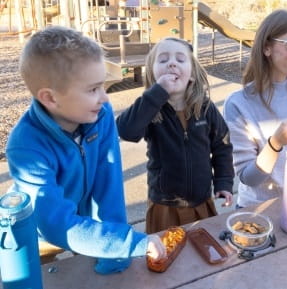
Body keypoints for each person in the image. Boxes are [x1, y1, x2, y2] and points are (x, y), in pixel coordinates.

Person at [5, 26, 166, 274]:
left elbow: (108, 182)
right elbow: (56, 224)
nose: (106, 98)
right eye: (93, 89)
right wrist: (130, 242)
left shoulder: (99, 116)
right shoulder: (25, 145)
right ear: (50, 98)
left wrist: (117, 252)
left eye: (103, 86)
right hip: (37, 233)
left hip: (83, 220)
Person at [116, 37, 234, 234]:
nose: (172, 63)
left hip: (201, 201)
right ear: (152, 74)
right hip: (164, 205)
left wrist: (223, 182)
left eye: (180, 59)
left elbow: (222, 145)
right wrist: (157, 94)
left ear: (192, 73)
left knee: (204, 250)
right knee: (166, 254)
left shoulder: (204, 108)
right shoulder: (150, 109)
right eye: (163, 60)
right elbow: (126, 130)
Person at [224, 10, 287, 208]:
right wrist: (275, 143)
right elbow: (248, 178)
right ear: (267, 47)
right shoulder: (238, 104)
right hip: (259, 209)